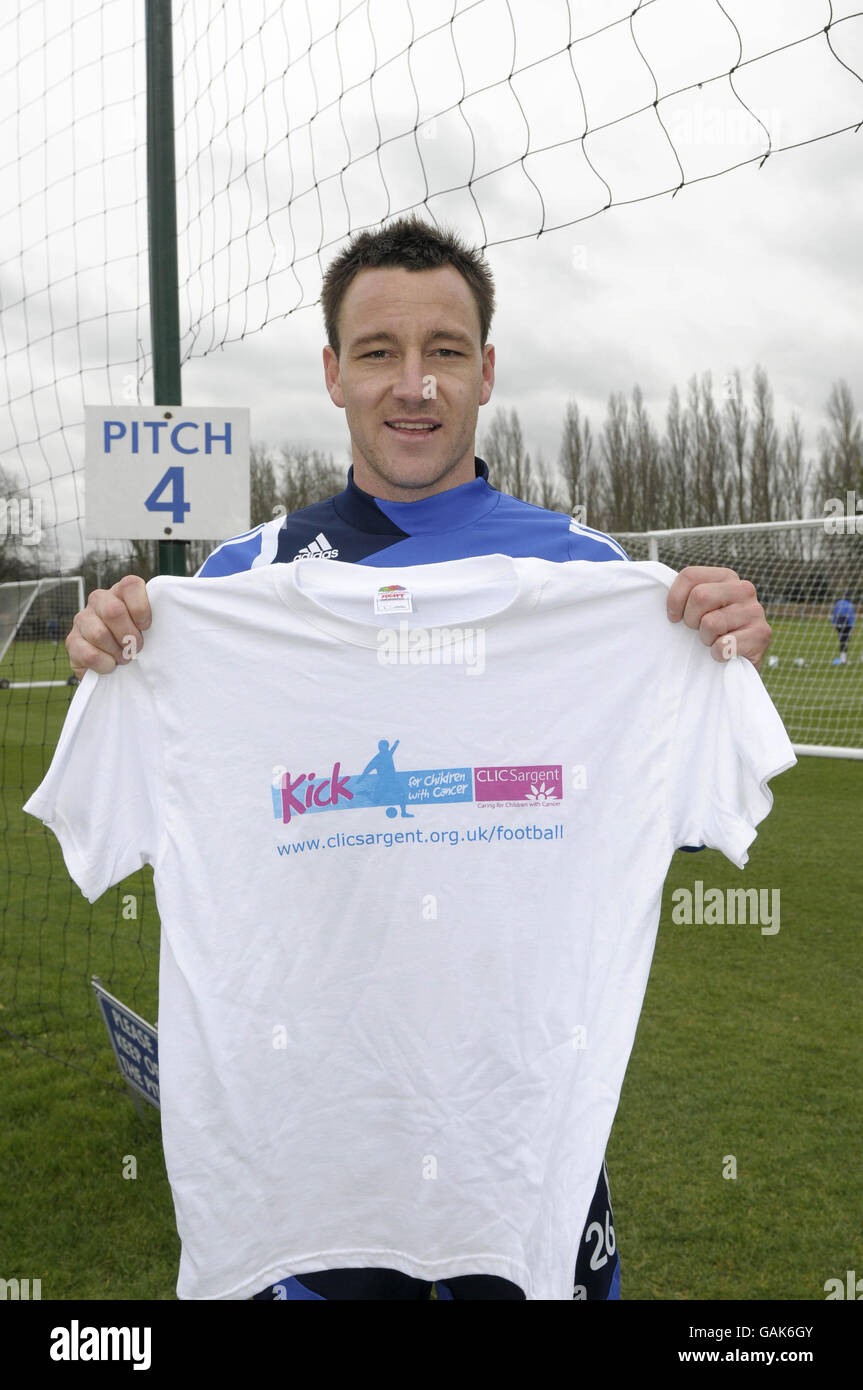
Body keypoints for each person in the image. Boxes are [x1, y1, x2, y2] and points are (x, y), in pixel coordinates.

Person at [64, 214, 772, 1300]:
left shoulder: (602, 586)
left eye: (444, 351)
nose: (413, 385)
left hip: (516, 1146)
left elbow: (683, 801)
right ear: (333, 375)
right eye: (378, 353)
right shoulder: (227, 590)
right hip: (306, 1160)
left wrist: (708, 659)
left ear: (484, 372)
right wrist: (120, 662)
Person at [830, 589, 855, 665]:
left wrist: (833, 623)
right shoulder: (850, 605)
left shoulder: (838, 603)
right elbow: (851, 617)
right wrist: (852, 626)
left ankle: (842, 658)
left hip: (838, 624)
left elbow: (834, 613)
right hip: (846, 624)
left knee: (842, 641)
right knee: (845, 641)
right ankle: (843, 660)